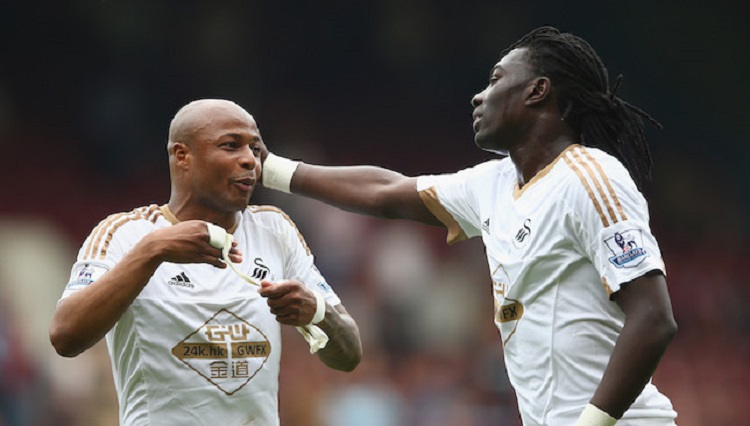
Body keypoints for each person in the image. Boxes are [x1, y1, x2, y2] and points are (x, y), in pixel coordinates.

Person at [259, 26, 678, 426]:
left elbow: (654, 317)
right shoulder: (493, 183)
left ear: (538, 90)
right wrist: (267, 168)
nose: (479, 96)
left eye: (496, 80)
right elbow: (386, 190)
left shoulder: (589, 178)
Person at [49, 99, 362, 425]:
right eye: (231, 146)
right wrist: (152, 251)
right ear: (182, 156)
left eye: (255, 150)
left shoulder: (274, 229)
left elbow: (349, 355)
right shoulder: (126, 234)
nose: (249, 161)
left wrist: (318, 312)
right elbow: (65, 336)